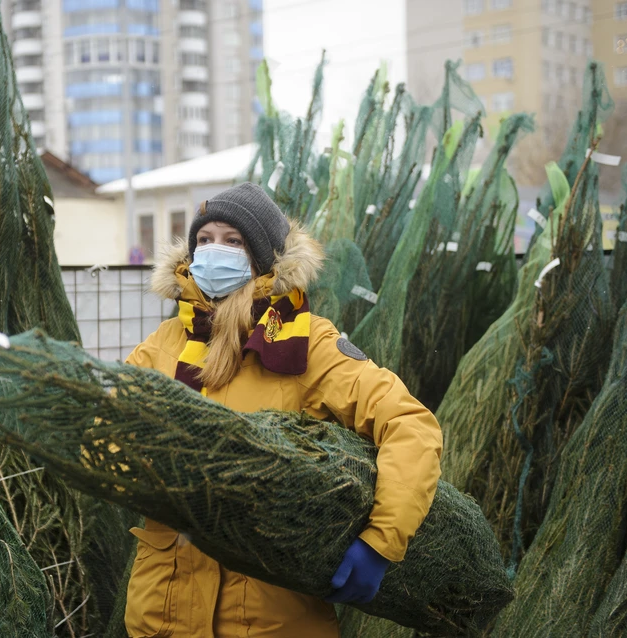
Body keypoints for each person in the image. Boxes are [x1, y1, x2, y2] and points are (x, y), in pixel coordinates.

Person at [123, 182, 443, 638]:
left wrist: (380, 541)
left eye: (234, 241)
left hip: (271, 617)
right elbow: (104, 426)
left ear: (265, 258)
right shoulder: (164, 344)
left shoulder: (307, 344)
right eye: (204, 239)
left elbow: (410, 425)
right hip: (163, 615)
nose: (215, 250)